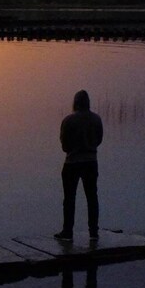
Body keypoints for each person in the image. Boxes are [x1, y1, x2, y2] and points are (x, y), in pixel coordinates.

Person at [54, 90, 103, 242]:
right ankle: (93, 232)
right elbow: (99, 140)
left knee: (69, 198)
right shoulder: (96, 119)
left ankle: (68, 231)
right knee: (92, 197)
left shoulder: (68, 120)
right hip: (91, 162)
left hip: (72, 163)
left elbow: (64, 146)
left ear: (75, 103)